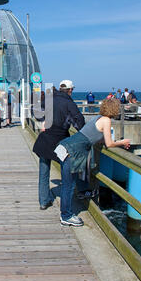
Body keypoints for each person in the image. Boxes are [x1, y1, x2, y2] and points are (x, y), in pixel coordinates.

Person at [55, 98, 130, 227]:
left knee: (67, 184)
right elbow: (109, 143)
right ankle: (66, 216)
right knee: (69, 186)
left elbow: (94, 137)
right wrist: (123, 142)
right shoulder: (106, 120)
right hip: (73, 152)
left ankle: (68, 210)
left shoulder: (98, 117)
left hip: (66, 146)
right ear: (114, 109)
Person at [33, 80, 85, 210]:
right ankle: (68, 205)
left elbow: (36, 111)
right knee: (67, 172)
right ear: (70, 90)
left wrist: (43, 121)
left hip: (45, 140)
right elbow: (79, 123)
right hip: (61, 141)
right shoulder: (69, 103)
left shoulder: (50, 100)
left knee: (44, 172)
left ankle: (43, 201)